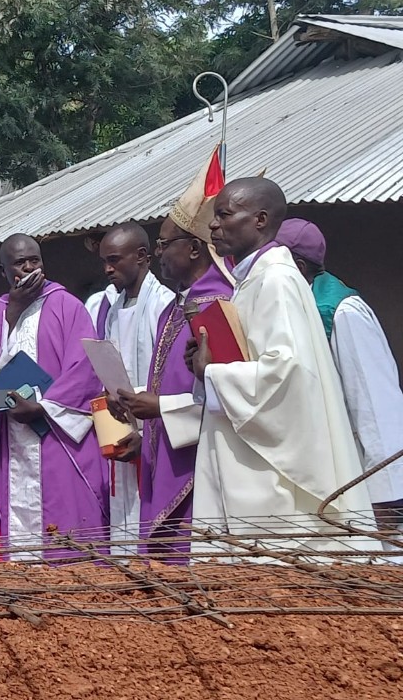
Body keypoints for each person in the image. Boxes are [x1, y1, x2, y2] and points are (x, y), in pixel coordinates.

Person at [187, 178, 375, 551]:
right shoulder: (251, 278)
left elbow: (286, 375)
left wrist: (212, 371)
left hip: (270, 467)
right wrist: (207, 357)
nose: (213, 225)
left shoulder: (275, 279)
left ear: (259, 220)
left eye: (224, 215)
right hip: (247, 446)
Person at [113, 179, 233, 557]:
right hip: (165, 447)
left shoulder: (219, 307)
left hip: (202, 462)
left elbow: (226, 393)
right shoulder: (178, 306)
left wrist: (160, 409)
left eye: (165, 244)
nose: (158, 253)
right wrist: (147, 437)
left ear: (195, 249)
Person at [0, 234, 108, 548]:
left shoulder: (67, 306)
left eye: (35, 260)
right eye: (19, 263)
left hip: (57, 431)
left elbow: (85, 368)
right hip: (12, 436)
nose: (29, 268)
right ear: (3, 272)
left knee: (67, 521)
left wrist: (44, 407)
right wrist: (13, 310)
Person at [276, 218, 403, 535]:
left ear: (298, 265)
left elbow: (376, 405)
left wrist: (386, 497)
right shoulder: (288, 306)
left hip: (357, 472)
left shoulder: (341, 311)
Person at [94, 223, 175, 554]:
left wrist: (148, 435)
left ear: (142, 256)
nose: (107, 269)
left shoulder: (165, 305)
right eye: (104, 261)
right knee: (122, 520)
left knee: (149, 521)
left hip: (153, 432)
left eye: (114, 260)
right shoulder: (112, 309)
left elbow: (171, 380)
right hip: (121, 430)